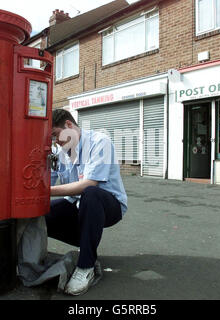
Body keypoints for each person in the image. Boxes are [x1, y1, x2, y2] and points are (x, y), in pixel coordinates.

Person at [47, 109, 127, 296]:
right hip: (77, 205)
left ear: (68, 126)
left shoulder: (100, 142)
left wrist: (46, 191)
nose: (55, 141)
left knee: (90, 193)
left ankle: (86, 267)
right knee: (41, 211)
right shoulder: (58, 153)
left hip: (109, 205)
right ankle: (86, 243)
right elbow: (44, 184)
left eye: (55, 135)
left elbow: (89, 184)